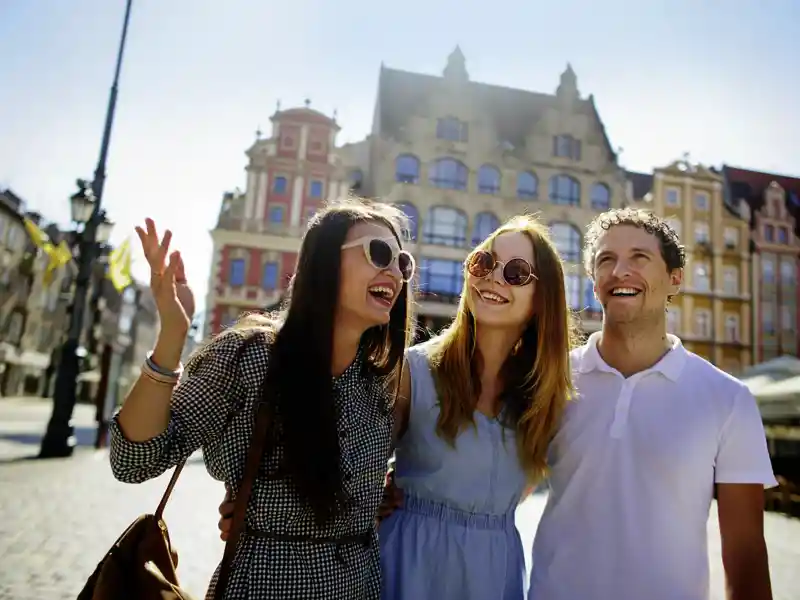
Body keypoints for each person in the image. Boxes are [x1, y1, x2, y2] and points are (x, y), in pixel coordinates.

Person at [219, 214, 576, 599]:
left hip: (493, 573)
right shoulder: (414, 371)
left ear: (543, 300)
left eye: (516, 272)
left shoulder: (547, 396)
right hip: (408, 566)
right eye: (484, 263)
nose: (492, 277)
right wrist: (257, 501)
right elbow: (350, 465)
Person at [109, 199, 416, 600]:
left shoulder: (379, 379)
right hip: (268, 584)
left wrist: (375, 497)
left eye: (403, 263)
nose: (394, 271)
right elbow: (133, 461)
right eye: (380, 253)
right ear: (324, 264)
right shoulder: (251, 357)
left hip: (358, 586)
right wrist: (172, 335)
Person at [528, 208, 776, 600]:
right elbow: (499, 486)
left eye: (639, 258)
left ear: (674, 279)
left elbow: (745, 554)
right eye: (606, 260)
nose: (620, 270)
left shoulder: (729, 399)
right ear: (594, 283)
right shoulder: (551, 382)